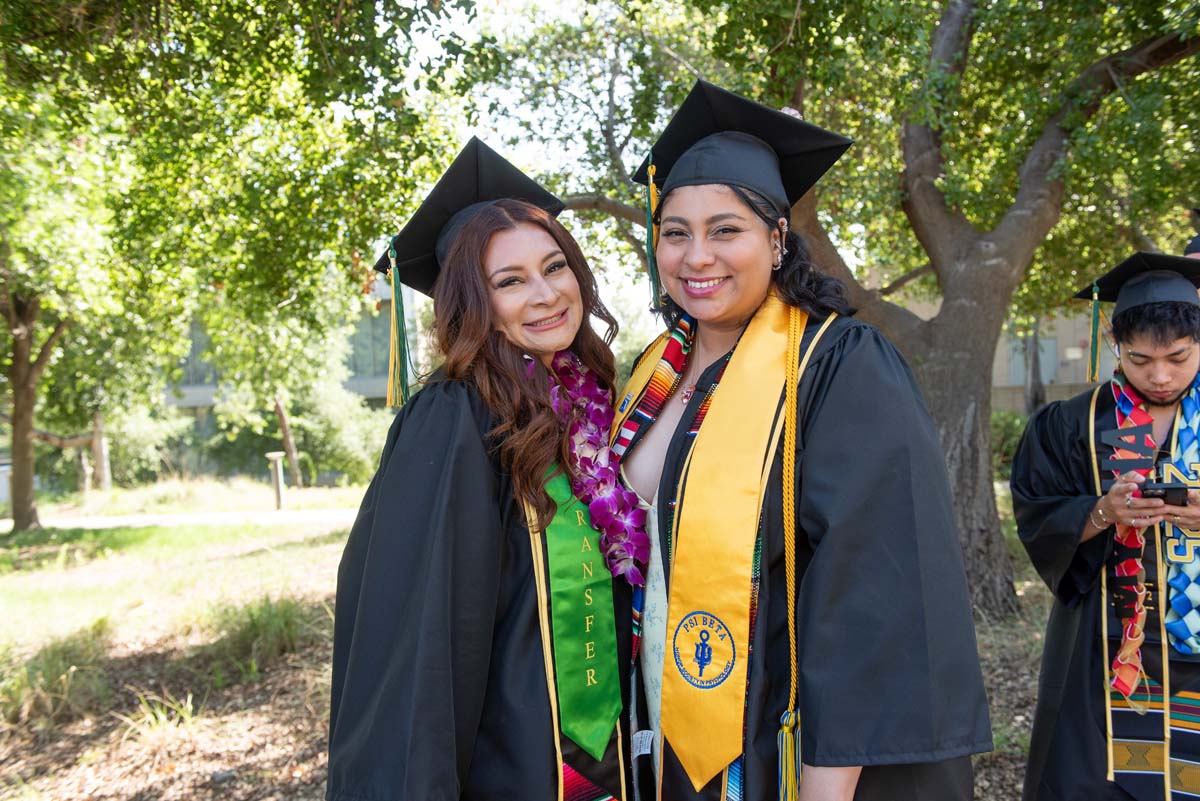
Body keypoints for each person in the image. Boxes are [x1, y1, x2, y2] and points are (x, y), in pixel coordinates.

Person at [611, 80, 992, 801]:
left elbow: (875, 589)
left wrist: (826, 785)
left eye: (726, 229)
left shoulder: (838, 365)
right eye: (675, 232)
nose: (698, 256)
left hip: (782, 740)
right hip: (659, 733)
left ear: (778, 237)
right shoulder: (647, 377)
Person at [326, 137, 642, 801]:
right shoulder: (455, 417)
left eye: (555, 267)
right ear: (474, 302)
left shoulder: (583, 406)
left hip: (600, 759)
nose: (547, 294)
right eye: (510, 281)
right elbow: (421, 642)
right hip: (507, 766)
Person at [1012, 251, 1200, 801]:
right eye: (1140, 359)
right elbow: (1036, 512)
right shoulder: (1071, 424)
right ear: (1114, 345)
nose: (1160, 375)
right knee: (1095, 780)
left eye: (1179, 357)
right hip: (1106, 647)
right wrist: (1101, 512)